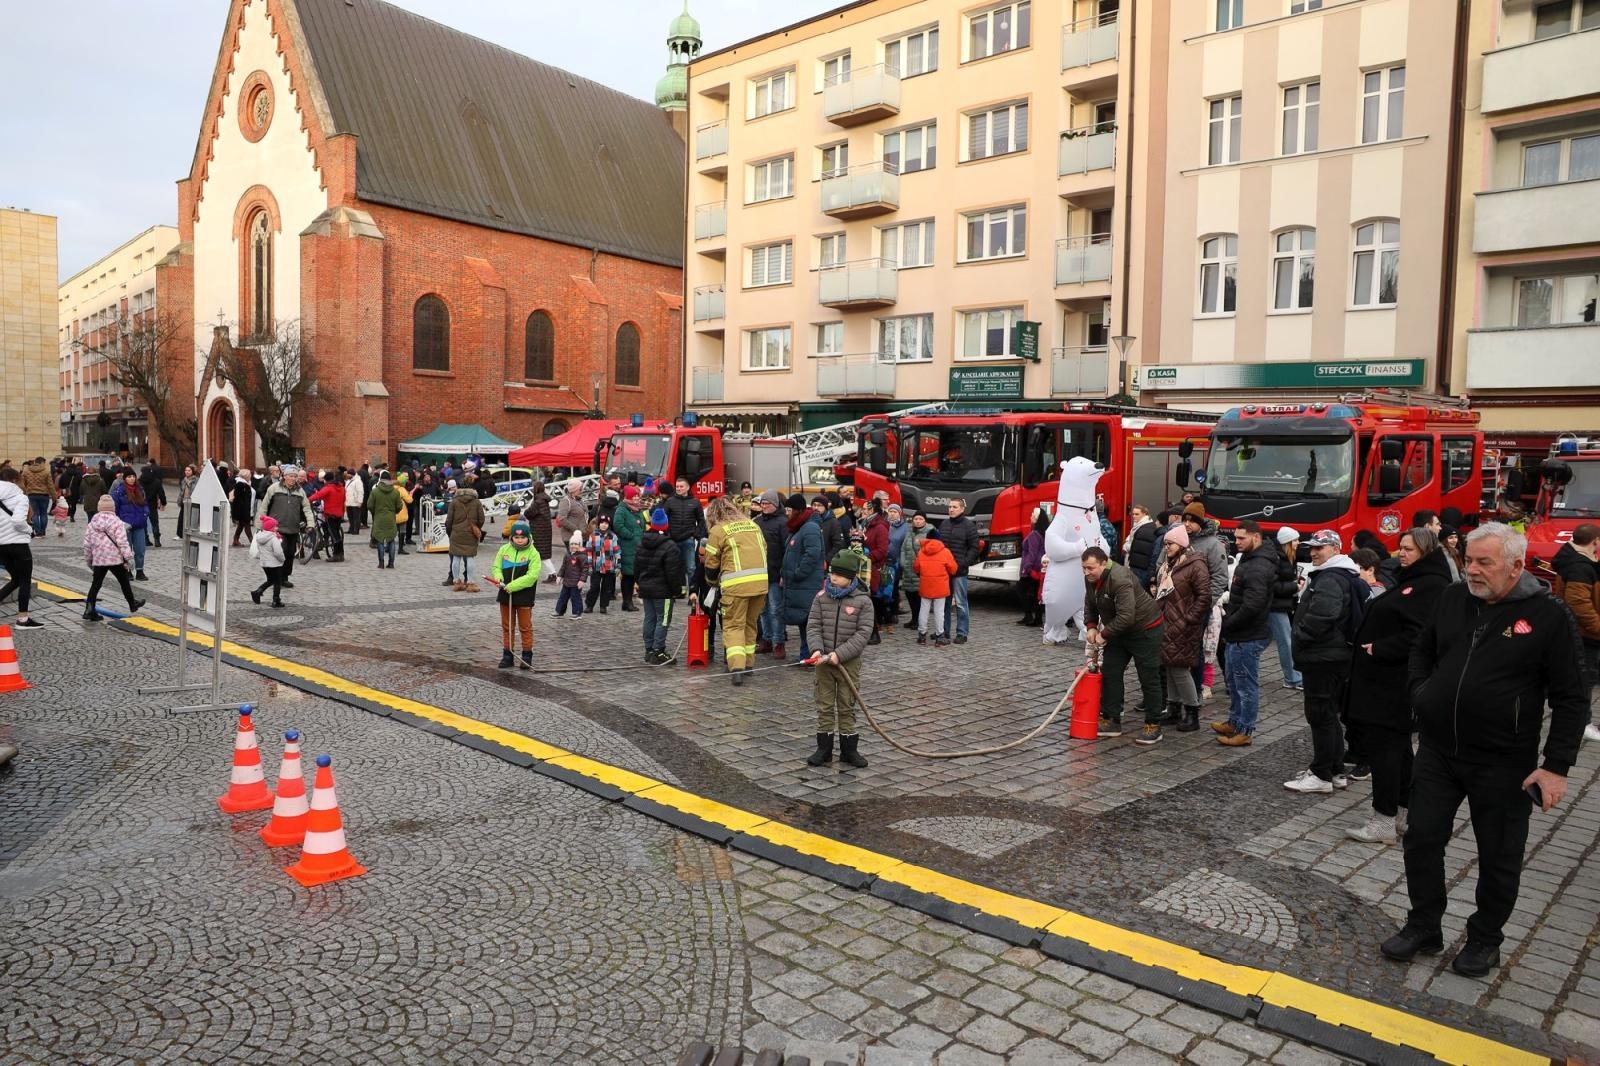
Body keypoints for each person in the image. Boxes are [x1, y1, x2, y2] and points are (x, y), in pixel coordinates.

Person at [1382, 523, 1588, 978]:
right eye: (1469, 560)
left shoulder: (1548, 615)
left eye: (1484, 563)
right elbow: (1423, 649)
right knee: (1422, 838)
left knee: (1499, 855)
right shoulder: (1454, 599)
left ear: (1516, 566)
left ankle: (1484, 939)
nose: (1472, 570)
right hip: (1438, 750)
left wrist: (1555, 767)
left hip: (1503, 759)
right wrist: (1422, 692)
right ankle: (1424, 926)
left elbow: (1573, 697)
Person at [1344, 528, 1452, 843]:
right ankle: (1402, 813)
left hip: (1392, 683)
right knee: (1399, 750)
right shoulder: (1414, 579)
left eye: (1409, 549)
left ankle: (1384, 817)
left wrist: (1380, 648)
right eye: (1401, 547)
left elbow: (1421, 634)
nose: (1401, 553)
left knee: (1386, 752)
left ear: (1425, 552)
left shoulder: (1430, 585)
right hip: (1384, 682)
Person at [1285, 529, 1366, 793]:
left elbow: (1323, 615)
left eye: (1320, 548)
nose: (1313, 552)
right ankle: (1335, 770)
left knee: (1320, 715)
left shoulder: (1331, 577)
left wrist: (1300, 635)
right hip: (1332, 655)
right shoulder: (1340, 574)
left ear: (1335, 548)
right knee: (1328, 714)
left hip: (1323, 656)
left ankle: (1321, 774)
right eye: (1311, 548)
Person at [1082, 545, 1166, 743]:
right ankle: (1111, 718)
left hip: (1145, 629)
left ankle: (1153, 723)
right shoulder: (1091, 578)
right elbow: (1091, 603)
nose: (1086, 572)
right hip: (1119, 630)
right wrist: (1091, 625)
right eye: (1084, 568)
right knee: (1111, 671)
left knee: (1148, 675)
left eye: (1090, 568)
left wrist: (1104, 633)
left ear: (1104, 563)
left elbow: (1128, 616)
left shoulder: (1120, 578)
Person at [805, 550, 875, 769]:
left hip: (848, 663)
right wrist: (817, 650)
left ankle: (849, 750)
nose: (834, 578)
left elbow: (863, 634)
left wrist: (839, 654)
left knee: (846, 704)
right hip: (823, 663)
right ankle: (824, 749)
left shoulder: (863, 602)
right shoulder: (821, 598)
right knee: (824, 704)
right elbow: (813, 625)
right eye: (832, 573)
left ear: (852, 576)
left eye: (840, 575)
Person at [1216, 520, 1278, 746]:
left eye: (1242, 538)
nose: (1236, 542)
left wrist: (1230, 623)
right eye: (1236, 537)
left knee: (1245, 686)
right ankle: (1234, 721)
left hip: (1248, 635)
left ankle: (1245, 730)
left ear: (1256, 538)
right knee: (1234, 682)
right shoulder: (1252, 560)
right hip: (1240, 634)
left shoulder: (1259, 565)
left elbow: (1253, 605)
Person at [703, 494, 769, 683]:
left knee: (733, 626)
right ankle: (748, 664)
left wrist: (711, 582)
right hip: (760, 584)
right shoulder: (752, 525)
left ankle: (736, 668)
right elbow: (764, 550)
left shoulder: (718, 530)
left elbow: (711, 563)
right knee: (750, 624)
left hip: (735, 586)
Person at [1154, 524, 1211, 733]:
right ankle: (1173, 708)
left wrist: (1188, 619)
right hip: (1167, 623)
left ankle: (1192, 712)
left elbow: (1204, 596)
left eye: (1169, 544)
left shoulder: (1195, 565)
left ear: (1181, 544)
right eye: (1165, 544)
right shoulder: (1170, 564)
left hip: (1184, 625)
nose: (1166, 547)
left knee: (1179, 668)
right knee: (1169, 665)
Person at [1183, 503, 1228, 699]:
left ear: (1200, 522)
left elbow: (1220, 577)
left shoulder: (1213, 544)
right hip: (1178, 604)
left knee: (1197, 649)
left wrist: (1205, 603)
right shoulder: (1180, 539)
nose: (1186, 524)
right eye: (1185, 519)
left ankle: (1198, 687)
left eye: (1191, 521)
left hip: (1200, 606)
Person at [486, 520, 541, 670]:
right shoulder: (504, 549)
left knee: (525, 627)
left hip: (524, 595)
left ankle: (527, 656)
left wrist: (512, 586)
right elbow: (496, 566)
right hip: (505, 594)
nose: (519, 540)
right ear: (512, 537)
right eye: (516, 538)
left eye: (522, 537)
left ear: (528, 537)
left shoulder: (533, 553)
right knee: (507, 627)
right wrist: (499, 578)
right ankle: (508, 655)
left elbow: (532, 576)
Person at [80, 496, 145, 621]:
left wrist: (89, 561)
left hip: (99, 559)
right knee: (124, 581)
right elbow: (122, 542)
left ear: (99, 508)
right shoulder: (117, 522)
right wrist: (129, 558)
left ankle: (89, 609)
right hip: (115, 559)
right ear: (113, 508)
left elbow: (87, 544)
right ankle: (132, 604)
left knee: (96, 584)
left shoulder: (92, 523)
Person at [636, 507, 685, 664]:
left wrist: (640, 583)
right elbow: (673, 572)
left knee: (649, 618)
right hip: (663, 591)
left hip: (646, 588)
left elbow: (636, 566)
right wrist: (677, 590)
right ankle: (659, 651)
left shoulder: (642, 542)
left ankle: (649, 649)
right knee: (662, 620)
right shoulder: (670, 546)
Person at [781, 495, 827, 662]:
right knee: (804, 620)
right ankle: (805, 653)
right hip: (798, 584)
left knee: (809, 621)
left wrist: (798, 573)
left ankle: (809, 655)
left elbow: (812, 554)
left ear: (798, 510)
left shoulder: (809, 528)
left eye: (789, 510)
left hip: (806, 583)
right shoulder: (799, 526)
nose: (787, 513)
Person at [0, 467, 42, 628]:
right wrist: (30, 530)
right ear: (14, 480)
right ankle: (23, 619)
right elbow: (18, 521)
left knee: (16, 579)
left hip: (1, 545)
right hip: (18, 544)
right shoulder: (20, 498)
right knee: (24, 580)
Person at [258, 468, 315, 587]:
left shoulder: (300, 491)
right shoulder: (274, 488)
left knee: (290, 554)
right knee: (280, 553)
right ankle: (277, 578)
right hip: (277, 529)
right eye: (291, 476)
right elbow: (264, 507)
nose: (293, 479)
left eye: (295, 476)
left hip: (293, 528)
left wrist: (310, 524)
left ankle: (285, 577)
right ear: (284, 476)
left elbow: (307, 508)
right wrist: (260, 525)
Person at [752, 490, 788, 656]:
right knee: (762, 609)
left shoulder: (783, 522)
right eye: (762, 504)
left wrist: (783, 573)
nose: (764, 506)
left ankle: (778, 642)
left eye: (767, 504)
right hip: (759, 573)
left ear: (775, 505)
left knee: (775, 610)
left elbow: (786, 550)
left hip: (775, 573)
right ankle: (766, 639)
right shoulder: (757, 522)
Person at [942, 497, 982, 645]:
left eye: (954, 507)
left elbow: (974, 548)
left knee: (960, 603)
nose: (951, 509)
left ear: (962, 509)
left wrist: (964, 564)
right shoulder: (944, 524)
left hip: (959, 571)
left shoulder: (969, 526)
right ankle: (943, 631)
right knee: (944, 603)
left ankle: (962, 632)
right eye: (950, 507)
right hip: (944, 571)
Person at [1268, 528, 1304, 690]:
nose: (1298, 543)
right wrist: (1294, 587)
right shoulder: (1278, 559)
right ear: (1287, 542)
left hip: (1279, 605)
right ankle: (1292, 679)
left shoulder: (1287, 558)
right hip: (1275, 606)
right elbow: (1273, 585)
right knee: (1286, 642)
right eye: (1295, 540)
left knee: (1261, 641)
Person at [914, 528, 958, 647]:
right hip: (940, 586)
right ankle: (940, 636)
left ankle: (922, 635)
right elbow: (953, 569)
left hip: (925, 584)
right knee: (939, 612)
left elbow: (916, 568)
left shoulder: (922, 551)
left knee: (923, 610)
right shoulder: (945, 552)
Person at [664, 477, 707, 594]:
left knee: (691, 568)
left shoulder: (695, 502)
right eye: (677, 486)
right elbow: (664, 519)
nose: (678, 488)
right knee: (674, 567)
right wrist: (668, 535)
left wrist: (696, 534)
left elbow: (701, 520)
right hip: (672, 540)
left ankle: (692, 592)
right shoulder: (670, 501)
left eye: (681, 486)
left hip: (688, 539)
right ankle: (677, 591)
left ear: (687, 487)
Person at [445, 482, 486, 591]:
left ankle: (457, 582)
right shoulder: (476, 502)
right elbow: (481, 518)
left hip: (456, 533)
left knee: (456, 557)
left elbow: (448, 520)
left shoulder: (454, 501)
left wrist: (450, 532)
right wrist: (476, 527)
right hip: (470, 533)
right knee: (470, 557)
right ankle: (471, 583)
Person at [110, 470, 150, 580]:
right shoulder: (119, 492)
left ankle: (140, 571)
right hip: (125, 526)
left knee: (140, 549)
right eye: (129, 477)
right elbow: (114, 509)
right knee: (126, 550)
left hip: (139, 525)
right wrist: (120, 522)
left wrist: (145, 514)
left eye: (133, 476)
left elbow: (145, 504)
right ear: (125, 479)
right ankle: (127, 571)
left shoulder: (140, 490)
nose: (132, 478)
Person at [861, 499, 891, 643]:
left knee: (871, 601)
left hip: (873, 569)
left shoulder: (880, 527)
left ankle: (874, 632)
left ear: (872, 510)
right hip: (865, 568)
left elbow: (882, 550)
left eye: (865, 509)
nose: (862, 511)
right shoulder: (866, 524)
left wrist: (866, 556)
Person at [898, 510, 932, 632]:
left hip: (920, 572)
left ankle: (919, 620)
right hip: (908, 570)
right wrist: (902, 562)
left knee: (918, 597)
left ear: (925, 520)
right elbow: (903, 549)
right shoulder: (909, 532)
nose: (917, 521)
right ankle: (913, 618)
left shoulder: (930, 532)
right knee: (910, 596)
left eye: (920, 519)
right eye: (916, 519)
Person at [613, 485, 645, 612]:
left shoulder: (638, 510)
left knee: (632, 575)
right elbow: (618, 525)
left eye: (638, 496)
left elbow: (641, 526)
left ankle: (628, 601)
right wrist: (631, 536)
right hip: (627, 547)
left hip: (637, 547)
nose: (637, 499)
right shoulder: (622, 509)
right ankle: (627, 602)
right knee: (628, 575)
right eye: (634, 496)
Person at [583, 514, 622, 614]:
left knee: (607, 587)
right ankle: (589, 604)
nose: (604, 525)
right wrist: (589, 565)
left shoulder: (613, 537)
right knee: (594, 587)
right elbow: (589, 551)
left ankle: (603, 605)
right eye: (602, 523)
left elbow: (617, 551)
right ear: (598, 524)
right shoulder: (593, 536)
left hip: (609, 566)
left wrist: (618, 565)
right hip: (596, 566)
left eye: (606, 523)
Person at [1017, 508, 1049, 628]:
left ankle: (1030, 616)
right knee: (1037, 593)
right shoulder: (1043, 532)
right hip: (1039, 567)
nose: (1030, 516)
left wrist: (1026, 568)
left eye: (1032, 515)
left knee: (1022, 590)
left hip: (1032, 568)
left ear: (1036, 518)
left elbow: (1032, 553)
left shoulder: (1034, 534)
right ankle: (1035, 617)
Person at [249, 516, 289, 608]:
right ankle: (276, 600)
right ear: (271, 528)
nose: (277, 528)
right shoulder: (273, 538)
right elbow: (278, 552)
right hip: (275, 564)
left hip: (265, 564)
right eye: (275, 526)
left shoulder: (260, 537)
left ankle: (258, 592)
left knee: (271, 580)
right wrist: (283, 559)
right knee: (277, 582)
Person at [308, 471, 347, 562]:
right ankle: (341, 554)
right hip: (339, 514)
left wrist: (307, 500)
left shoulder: (328, 488)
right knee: (337, 534)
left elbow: (318, 495)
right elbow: (344, 500)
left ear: (326, 480)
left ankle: (337, 555)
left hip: (330, 514)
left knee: (334, 535)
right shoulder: (341, 487)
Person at [555, 479, 589, 581]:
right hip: (571, 537)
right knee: (573, 563)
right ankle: (570, 584)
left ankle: (578, 584)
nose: (582, 490)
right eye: (580, 488)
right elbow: (562, 519)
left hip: (583, 536)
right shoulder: (566, 501)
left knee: (581, 562)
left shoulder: (579, 500)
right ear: (574, 490)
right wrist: (576, 530)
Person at [367, 471, 402, 569]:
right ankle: (391, 563)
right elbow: (399, 506)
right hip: (391, 518)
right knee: (391, 540)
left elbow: (369, 505)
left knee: (380, 540)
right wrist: (393, 511)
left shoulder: (375, 491)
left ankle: (381, 562)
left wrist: (375, 511)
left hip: (379, 518)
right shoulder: (395, 492)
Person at [884, 502, 910, 626]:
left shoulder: (905, 527)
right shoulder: (884, 524)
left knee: (893, 587)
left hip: (896, 562)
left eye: (895, 512)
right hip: (883, 561)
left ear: (899, 514)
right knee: (883, 587)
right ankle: (884, 611)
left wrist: (902, 562)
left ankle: (893, 612)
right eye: (890, 511)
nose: (892, 514)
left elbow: (905, 547)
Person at [555, 531, 590, 617]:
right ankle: (559, 611)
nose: (574, 546)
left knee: (575, 598)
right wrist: (559, 576)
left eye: (576, 544)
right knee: (562, 597)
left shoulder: (583, 556)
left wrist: (582, 580)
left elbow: (585, 570)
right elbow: (563, 566)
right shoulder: (567, 555)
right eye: (572, 544)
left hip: (576, 582)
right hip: (567, 581)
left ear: (580, 545)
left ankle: (577, 612)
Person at [1124, 505, 1158, 590]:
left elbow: (1136, 546)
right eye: (1133, 514)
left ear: (1144, 514)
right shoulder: (1140, 525)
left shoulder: (1143, 527)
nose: (1134, 516)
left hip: (1139, 566)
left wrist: (1125, 546)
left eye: (1137, 514)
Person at [19, 456, 53, 537]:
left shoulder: (26, 471)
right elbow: (50, 485)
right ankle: (43, 531)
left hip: (31, 495)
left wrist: (24, 493)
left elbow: (22, 484)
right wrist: (55, 498)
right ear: (41, 463)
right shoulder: (46, 472)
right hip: (44, 495)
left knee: (35, 514)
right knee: (44, 514)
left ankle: (38, 532)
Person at [527, 481, 553, 575]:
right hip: (545, 529)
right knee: (540, 553)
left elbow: (528, 513)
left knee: (541, 554)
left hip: (538, 530)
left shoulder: (538, 501)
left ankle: (552, 573)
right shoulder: (544, 499)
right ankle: (533, 571)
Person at [138, 463, 167, 548]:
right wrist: (163, 502)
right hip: (152, 505)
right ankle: (157, 540)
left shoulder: (139, 482)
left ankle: (146, 540)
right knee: (155, 523)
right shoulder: (156, 481)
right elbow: (161, 493)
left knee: (144, 523)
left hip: (141, 505)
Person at [229, 468, 255, 546]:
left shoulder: (246, 483)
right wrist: (242, 511)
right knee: (247, 525)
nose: (251, 476)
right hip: (242, 509)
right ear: (245, 476)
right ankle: (252, 542)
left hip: (246, 508)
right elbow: (238, 499)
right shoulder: (240, 484)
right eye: (250, 474)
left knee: (241, 525)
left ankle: (235, 540)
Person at [57, 460, 83, 524]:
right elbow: (80, 484)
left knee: (66, 503)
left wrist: (62, 488)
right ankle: (72, 516)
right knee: (74, 505)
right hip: (75, 492)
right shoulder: (78, 474)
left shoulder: (64, 474)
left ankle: (67, 513)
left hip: (66, 491)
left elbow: (60, 484)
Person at [344, 467, 366, 536]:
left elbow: (360, 492)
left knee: (356, 517)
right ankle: (351, 529)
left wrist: (360, 501)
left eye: (348, 474)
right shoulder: (348, 481)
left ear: (351, 474)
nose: (347, 475)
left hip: (355, 502)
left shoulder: (358, 481)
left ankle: (356, 530)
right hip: (349, 502)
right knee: (350, 517)